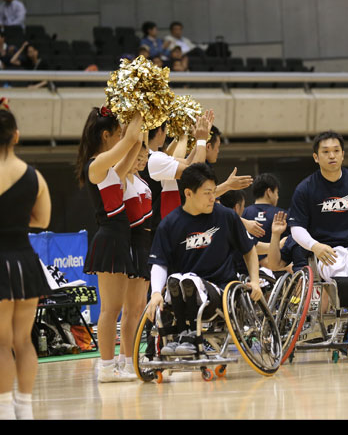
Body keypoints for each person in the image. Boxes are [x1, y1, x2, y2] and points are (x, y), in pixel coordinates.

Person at [146, 163, 262, 355]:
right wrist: (156, 292)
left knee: (189, 281)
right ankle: (181, 334)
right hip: (180, 294)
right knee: (177, 281)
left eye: (214, 192)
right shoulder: (169, 224)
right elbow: (159, 262)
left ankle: (190, 334)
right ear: (188, 194)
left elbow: (249, 251)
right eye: (206, 193)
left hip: (220, 292)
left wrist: (255, 281)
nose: (212, 198)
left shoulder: (227, 217)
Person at [288, 131, 348, 356]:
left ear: (343, 155)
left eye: (336, 151)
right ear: (316, 157)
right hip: (326, 250)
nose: (331, 156)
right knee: (343, 283)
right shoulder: (305, 188)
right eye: (325, 152)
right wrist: (315, 246)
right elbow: (296, 228)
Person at [0, 101, 52, 419]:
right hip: (25, 262)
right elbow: (42, 220)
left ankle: (3, 409)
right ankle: (24, 408)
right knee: (23, 340)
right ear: (16, 136)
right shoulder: (35, 177)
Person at [75, 106, 145, 382]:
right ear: (106, 135)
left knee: (117, 308)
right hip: (110, 238)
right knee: (110, 309)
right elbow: (129, 142)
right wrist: (139, 105)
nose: (120, 138)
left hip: (120, 238)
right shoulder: (96, 165)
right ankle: (105, 368)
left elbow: (134, 142)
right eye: (116, 134)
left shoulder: (109, 167)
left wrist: (137, 120)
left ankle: (116, 364)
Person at [116, 142, 153, 375]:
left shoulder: (141, 180)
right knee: (130, 309)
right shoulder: (120, 178)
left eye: (145, 156)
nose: (142, 160)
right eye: (137, 156)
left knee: (140, 306)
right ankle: (128, 360)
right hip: (131, 241)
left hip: (145, 245)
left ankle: (125, 357)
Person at [242, 173, 287, 262]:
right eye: (277, 192)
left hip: (247, 268)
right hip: (277, 269)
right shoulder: (282, 214)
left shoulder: (242, 214)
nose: (278, 197)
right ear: (269, 192)